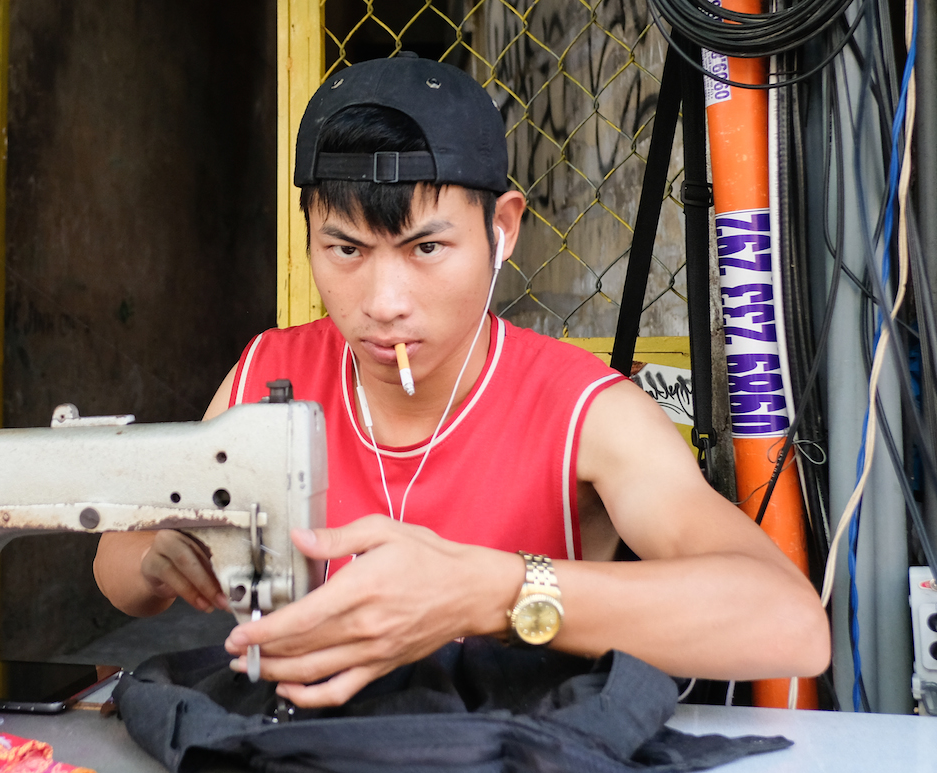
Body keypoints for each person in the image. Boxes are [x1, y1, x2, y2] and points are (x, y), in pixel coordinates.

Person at [94, 54, 829, 708]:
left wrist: (492, 593)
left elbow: (788, 623)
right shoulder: (269, 375)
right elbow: (116, 569)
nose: (384, 302)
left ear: (501, 229)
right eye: (345, 249)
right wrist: (161, 558)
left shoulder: (584, 410)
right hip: (312, 759)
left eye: (426, 248)